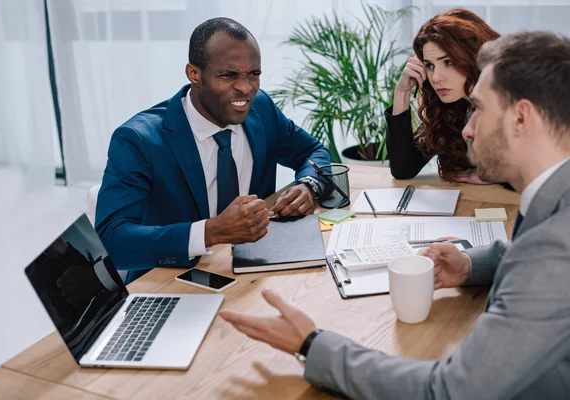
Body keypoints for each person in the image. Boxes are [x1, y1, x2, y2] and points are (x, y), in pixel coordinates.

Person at [220, 31, 570, 399]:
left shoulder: (554, 248)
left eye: (480, 108)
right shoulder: (554, 202)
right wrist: (469, 264)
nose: (467, 127)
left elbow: (449, 391)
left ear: (521, 118)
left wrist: (311, 343)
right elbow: (532, 260)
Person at [95, 18, 330, 283]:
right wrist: (210, 232)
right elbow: (112, 241)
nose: (245, 88)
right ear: (194, 74)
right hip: (171, 283)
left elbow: (313, 152)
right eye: (228, 75)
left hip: (253, 275)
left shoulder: (260, 109)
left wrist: (309, 186)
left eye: (253, 73)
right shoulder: (139, 140)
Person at [386, 9, 500, 183]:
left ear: (473, 57)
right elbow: (403, 168)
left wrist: (499, 176)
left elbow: (546, 169)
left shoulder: (514, 100)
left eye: (448, 62)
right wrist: (401, 92)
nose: (436, 78)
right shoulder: (450, 108)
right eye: (430, 66)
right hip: (472, 203)